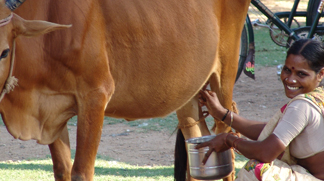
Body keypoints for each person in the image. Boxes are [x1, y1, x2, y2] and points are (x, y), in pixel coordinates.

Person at [196, 39, 324, 181]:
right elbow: (276, 131)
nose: (290, 80)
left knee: (258, 169)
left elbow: (266, 152)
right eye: (287, 70)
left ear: (321, 74)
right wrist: (221, 114)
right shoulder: (318, 98)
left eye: (301, 74)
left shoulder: (302, 106)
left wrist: (229, 140)